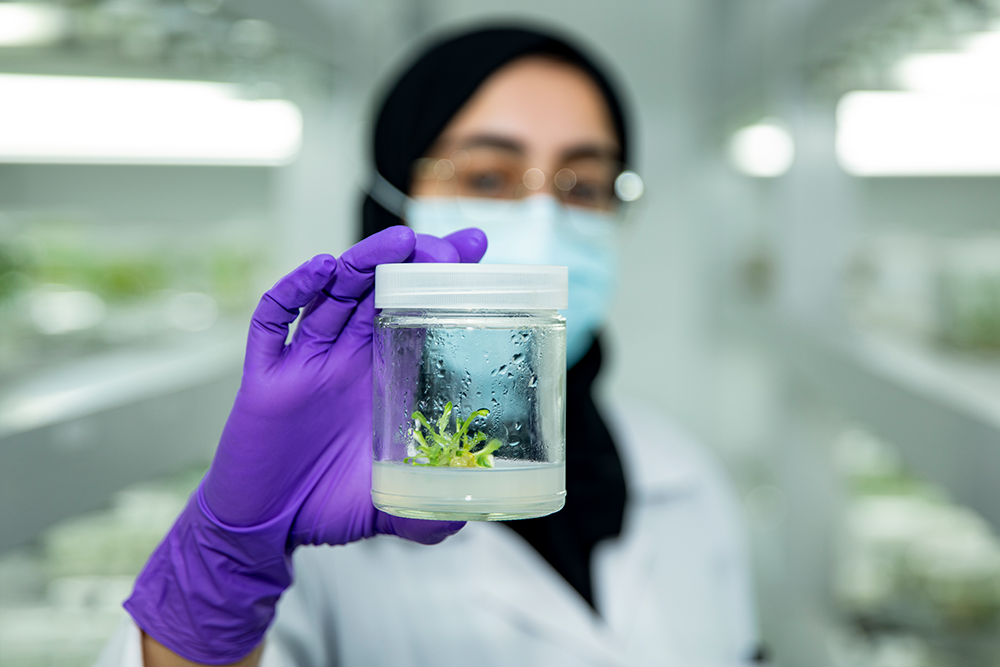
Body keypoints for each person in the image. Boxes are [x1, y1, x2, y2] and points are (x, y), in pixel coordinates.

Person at [96, 24, 758, 667]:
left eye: (583, 186)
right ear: (391, 202)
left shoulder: (683, 477)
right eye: (488, 178)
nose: (542, 219)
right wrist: (226, 568)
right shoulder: (307, 499)